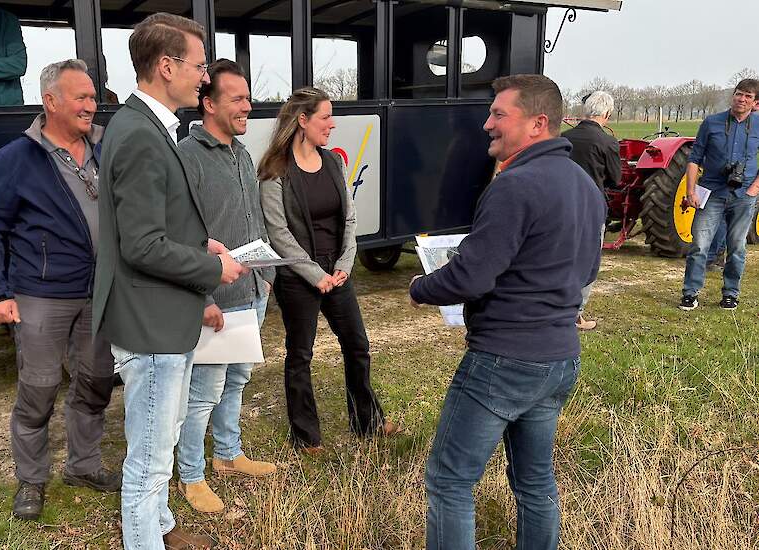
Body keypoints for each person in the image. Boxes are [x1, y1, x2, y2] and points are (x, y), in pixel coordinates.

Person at [409, 74, 605, 550]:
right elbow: (587, 270)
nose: (486, 124)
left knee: (450, 481)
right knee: (535, 484)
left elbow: (471, 278)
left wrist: (421, 287)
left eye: (499, 114)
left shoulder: (515, 185)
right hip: (559, 358)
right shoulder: (584, 186)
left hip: (503, 360)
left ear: (538, 123)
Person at [93, 13, 246, 550]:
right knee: (151, 461)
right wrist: (212, 269)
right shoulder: (139, 134)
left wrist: (199, 245)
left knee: (157, 444)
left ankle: (158, 529)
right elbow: (140, 246)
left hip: (158, 318)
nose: (205, 77)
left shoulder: (145, 126)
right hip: (150, 323)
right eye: (200, 65)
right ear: (166, 66)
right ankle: (146, 537)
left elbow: (149, 226)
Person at [0, 59, 121, 521]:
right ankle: (31, 480)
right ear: (50, 101)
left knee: (95, 383)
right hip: (40, 294)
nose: (91, 107)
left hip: (99, 293)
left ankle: (84, 465)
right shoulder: (16, 158)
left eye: (93, 98)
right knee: (39, 389)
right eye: (81, 97)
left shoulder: (104, 149)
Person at [259, 87, 400, 454]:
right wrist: (313, 274)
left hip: (337, 274)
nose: (332, 124)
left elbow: (348, 218)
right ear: (302, 121)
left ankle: (366, 421)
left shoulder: (333, 163)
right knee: (300, 354)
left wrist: (343, 266)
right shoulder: (275, 172)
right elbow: (279, 233)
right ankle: (306, 435)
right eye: (325, 117)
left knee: (357, 345)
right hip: (298, 278)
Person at [175, 59, 278, 514]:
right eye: (236, 98)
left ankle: (228, 456)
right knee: (203, 392)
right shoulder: (187, 156)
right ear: (208, 102)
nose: (247, 106)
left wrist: (266, 276)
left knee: (237, 379)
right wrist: (204, 296)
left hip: (251, 292)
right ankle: (191, 476)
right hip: (217, 298)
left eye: (247, 97)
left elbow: (252, 220)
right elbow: (182, 235)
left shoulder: (241, 153)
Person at [680, 79, 759, 311]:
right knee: (700, 245)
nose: (741, 99)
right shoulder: (711, 122)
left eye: (747, 96)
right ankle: (690, 292)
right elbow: (694, 158)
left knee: (737, 247)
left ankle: (731, 294)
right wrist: (690, 191)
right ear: (732, 96)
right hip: (712, 192)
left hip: (744, 195)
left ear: (755, 102)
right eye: (738, 94)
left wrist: (755, 188)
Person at [562, 91, 620, 331]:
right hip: (592, 207)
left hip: (562, 205)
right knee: (587, 261)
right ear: (606, 114)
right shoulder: (607, 142)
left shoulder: (564, 137)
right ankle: (576, 314)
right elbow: (616, 179)